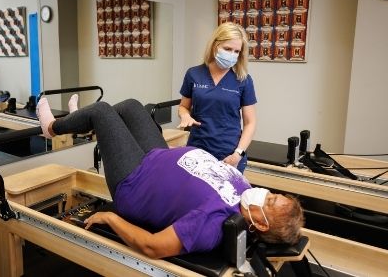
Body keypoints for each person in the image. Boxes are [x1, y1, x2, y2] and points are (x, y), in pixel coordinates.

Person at [36, 97, 303, 259]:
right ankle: (82, 122)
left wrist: (110, 217)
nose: (266, 195)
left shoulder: (212, 225)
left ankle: (51, 128)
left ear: (262, 224)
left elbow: (154, 247)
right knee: (131, 107)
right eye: (274, 196)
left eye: (270, 203)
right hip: (157, 157)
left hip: (135, 182)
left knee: (102, 111)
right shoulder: (246, 194)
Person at [178, 22, 257, 173]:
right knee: (195, 195)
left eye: (236, 51)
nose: (232, 55)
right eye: (227, 49)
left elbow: (250, 123)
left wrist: (237, 154)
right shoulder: (194, 74)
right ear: (215, 45)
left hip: (228, 154)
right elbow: (183, 106)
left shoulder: (243, 80)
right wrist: (184, 115)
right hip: (197, 150)